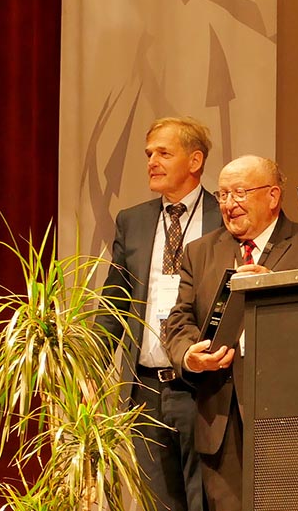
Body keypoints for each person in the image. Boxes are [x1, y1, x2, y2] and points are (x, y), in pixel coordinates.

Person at [164, 155, 298, 511]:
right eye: (222, 195)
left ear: (273, 196)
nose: (229, 205)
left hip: (290, 423)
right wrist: (189, 356)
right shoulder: (199, 252)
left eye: (240, 193)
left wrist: (275, 286)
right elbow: (179, 321)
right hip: (220, 422)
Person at [96, 116, 222, 511]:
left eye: (164, 153)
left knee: (206, 500)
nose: (152, 161)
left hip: (204, 390)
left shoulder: (224, 216)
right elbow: (114, 301)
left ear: (195, 160)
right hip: (145, 388)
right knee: (157, 503)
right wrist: (88, 365)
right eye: (149, 154)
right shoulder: (132, 220)